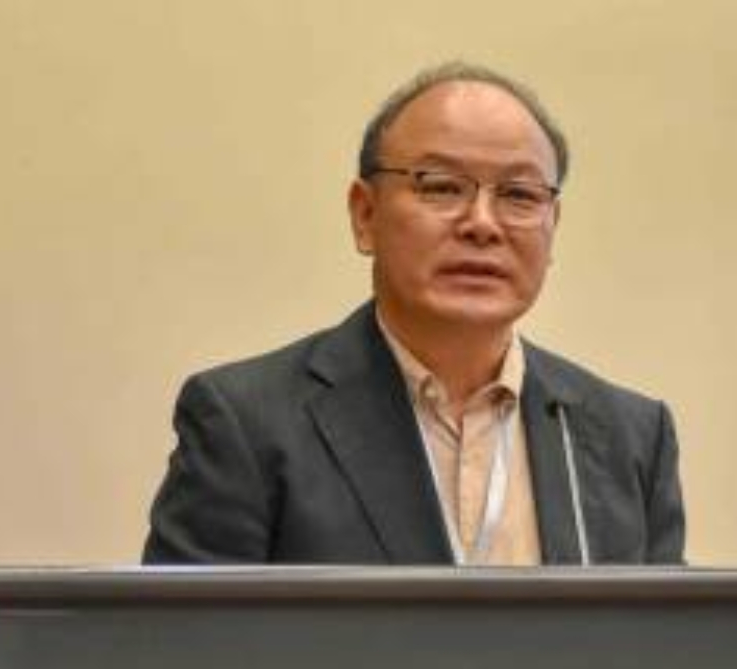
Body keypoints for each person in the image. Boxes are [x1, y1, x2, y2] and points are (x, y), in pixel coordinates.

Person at [143, 62, 684, 566]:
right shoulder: (247, 423)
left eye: (519, 195)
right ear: (365, 215)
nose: (482, 224)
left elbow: (667, 635)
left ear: (552, 226)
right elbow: (190, 638)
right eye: (442, 187)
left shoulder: (631, 437)